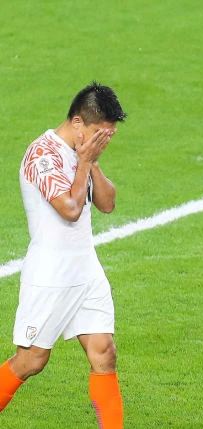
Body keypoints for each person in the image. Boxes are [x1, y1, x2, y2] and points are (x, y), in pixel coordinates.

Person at [0, 82, 126, 428]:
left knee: (104, 352)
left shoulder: (84, 153)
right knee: (31, 361)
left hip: (86, 269)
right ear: (78, 122)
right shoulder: (43, 155)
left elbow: (107, 204)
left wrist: (91, 162)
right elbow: (69, 209)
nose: (105, 141)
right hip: (51, 273)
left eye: (109, 136)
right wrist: (84, 161)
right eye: (101, 134)